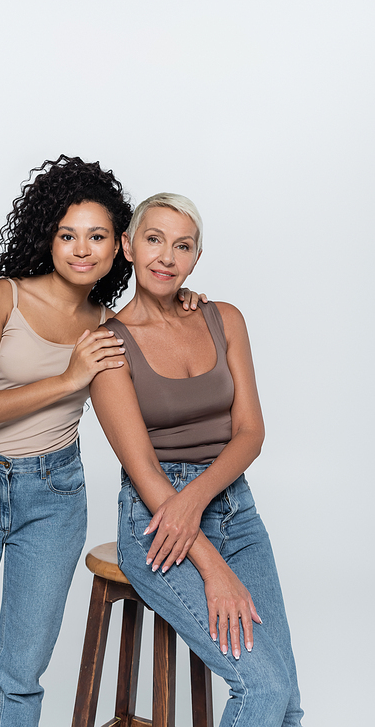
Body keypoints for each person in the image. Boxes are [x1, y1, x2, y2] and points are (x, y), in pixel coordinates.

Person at [0, 158, 205, 727]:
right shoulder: (2, 298)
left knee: (20, 682)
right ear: (50, 236)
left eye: (97, 236)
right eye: (68, 235)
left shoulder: (109, 329)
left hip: (54, 498)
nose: (81, 249)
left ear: (119, 246)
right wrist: (68, 380)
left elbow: (161, 337)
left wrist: (182, 301)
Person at [90, 193, 304, 727]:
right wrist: (215, 570)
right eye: (154, 239)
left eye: (182, 246)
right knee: (262, 686)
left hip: (234, 509)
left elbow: (250, 433)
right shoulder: (107, 345)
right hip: (157, 524)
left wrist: (198, 500)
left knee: (286, 702)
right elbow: (143, 471)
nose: (167, 256)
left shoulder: (223, 318)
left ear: (195, 258)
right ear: (128, 246)